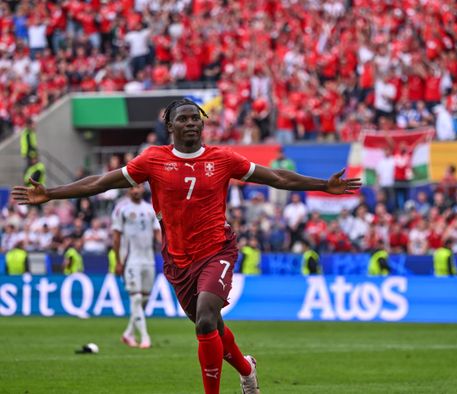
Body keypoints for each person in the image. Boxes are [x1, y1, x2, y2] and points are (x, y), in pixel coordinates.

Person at [11, 98, 361, 394]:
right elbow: (101, 183)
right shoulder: (153, 160)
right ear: (171, 127)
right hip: (178, 261)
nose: (192, 123)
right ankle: (246, 368)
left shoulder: (224, 159)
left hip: (217, 251)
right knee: (210, 326)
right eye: (184, 119)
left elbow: (278, 177)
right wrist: (51, 194)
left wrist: (321, 185)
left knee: (206, 317)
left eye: (196, 118)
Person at [111, 184, 161, 349]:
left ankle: (128, 333)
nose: (136, 190)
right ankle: (145, 337)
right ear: (128, 190)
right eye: (133, 187)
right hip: (131, 260)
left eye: (139, 187)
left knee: (144, 299)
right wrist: (118, 261)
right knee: (137, 298)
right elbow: (116, 237)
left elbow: (157, 234)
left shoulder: (150, 209)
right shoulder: (122, 209)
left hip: (149, 260)